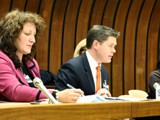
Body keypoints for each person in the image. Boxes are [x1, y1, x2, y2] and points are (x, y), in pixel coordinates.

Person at [0, 9, 83, 103]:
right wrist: (55, 95)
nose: (33, 40)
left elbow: (37, 96)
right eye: (27, 34)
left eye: (34, 35)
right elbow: (15, 91)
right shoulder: (1, 60)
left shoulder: (31, 63)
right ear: (11, 35)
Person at [55, 25, 120, 97]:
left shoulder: (104, 72)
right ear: (96, 44)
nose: (114, 50)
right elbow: (61, 101)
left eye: (114, 46)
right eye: (110, 45)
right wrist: (95, 98)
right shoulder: (71, 68)